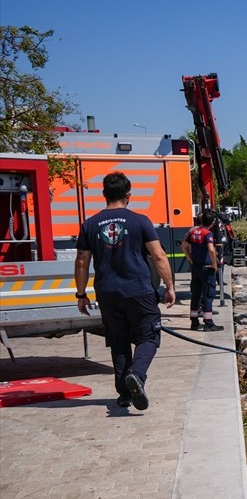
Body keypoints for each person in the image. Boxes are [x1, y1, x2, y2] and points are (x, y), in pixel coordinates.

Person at [74, 171, 176, 410]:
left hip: (107, 292)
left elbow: (81, 261)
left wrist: (81, 294)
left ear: (103, 195)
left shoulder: (89, 224)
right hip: (138, 290)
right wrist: (170, 286)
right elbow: (158, 255)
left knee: (119, 341)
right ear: (128, 194)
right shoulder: (140, 221)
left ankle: (124, 394)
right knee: (148, 336)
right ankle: (137, 376)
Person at [183, 210, 223, 331]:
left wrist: (190, 259)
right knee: (208, 295)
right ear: (212, 222)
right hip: (206, 267)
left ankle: (194, 322)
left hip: (195, 267)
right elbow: (211, 249)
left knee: (195, 294)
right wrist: (214, 264)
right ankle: (208, 323)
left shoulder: (193, 232)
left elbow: (184, 246)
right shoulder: (207, 234)